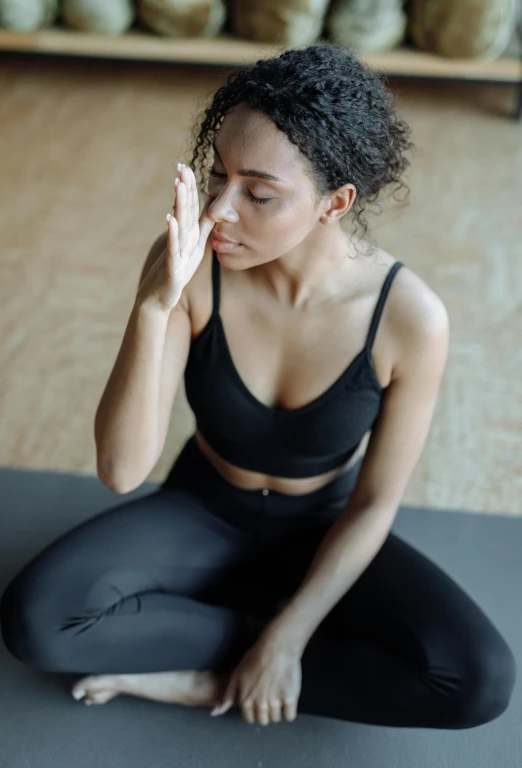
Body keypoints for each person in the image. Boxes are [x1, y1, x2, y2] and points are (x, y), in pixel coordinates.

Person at [0, 43, 516, 730]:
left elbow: (372, 504)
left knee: (478, 680)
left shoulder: (410, 318)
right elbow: (123, 470)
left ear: (336, 203)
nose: (219, 211)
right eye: (218, 176)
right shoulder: (190, 268)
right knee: (36, 620)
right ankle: (242, 655)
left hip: (323, 526)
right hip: (203, 509)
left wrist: (291, 635)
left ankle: (208, 671)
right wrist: (155, 305)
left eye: (259, 193)